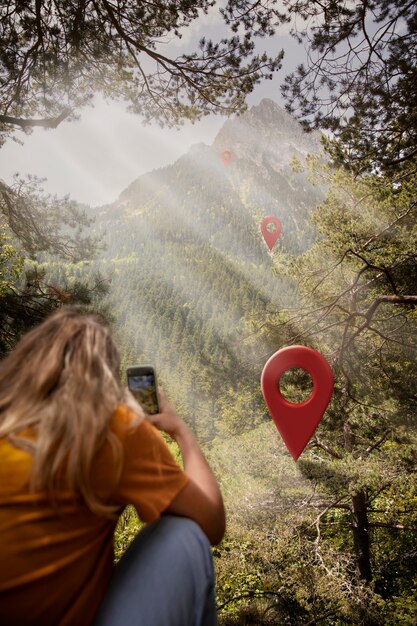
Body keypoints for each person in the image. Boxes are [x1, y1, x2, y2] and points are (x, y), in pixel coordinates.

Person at [0, 306, 225, 625]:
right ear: (104, 376)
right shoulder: (111, 428)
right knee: (184, 532)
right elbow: (212, 523)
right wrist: (180, 431)